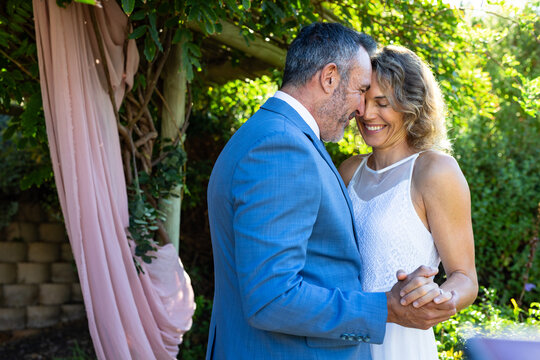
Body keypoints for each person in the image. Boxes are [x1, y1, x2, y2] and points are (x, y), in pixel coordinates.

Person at [206, 23, 458, 360]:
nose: (361, 110)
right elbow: (271, 297)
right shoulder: (283, 148)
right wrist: (385, 308)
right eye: (361, 90)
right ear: (329, 78)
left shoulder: (267, 135)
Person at [339, 45, 478, 359]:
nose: (367, 114)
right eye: (363, 99)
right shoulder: (348, 170)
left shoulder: (434, 171)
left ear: (410, 106)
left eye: (382, 103)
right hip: (343, 338)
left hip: (400, 343)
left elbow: (465, 278)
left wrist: (438, 296)